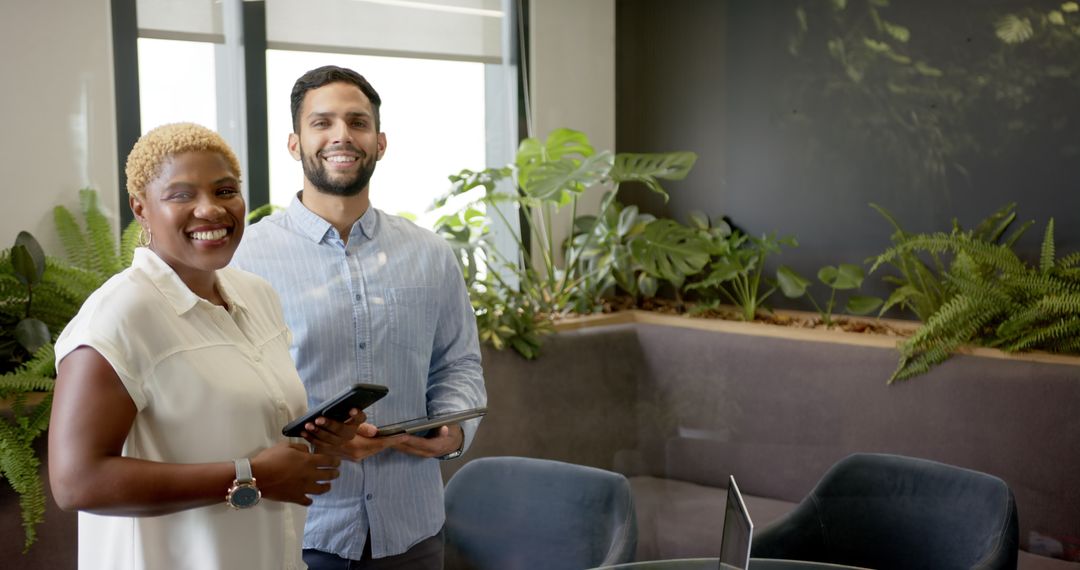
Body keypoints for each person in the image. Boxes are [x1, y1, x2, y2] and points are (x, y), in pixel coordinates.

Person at [48, 122, 374, 570]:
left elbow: (250, 435)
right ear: (140, 209)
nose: (211, 209)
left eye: (225, 191)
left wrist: (320, 443)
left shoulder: (256, 296)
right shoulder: (119, 315)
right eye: (181, 195)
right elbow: (76, 482)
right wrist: (252, 477)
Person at [231, 65, 487, 569]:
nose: (341, 135)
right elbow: (232, 389)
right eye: (322, 123)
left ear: (380, 142)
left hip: (412, 531)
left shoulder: (430, 253)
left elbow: (459, 365)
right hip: (301, 531)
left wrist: (451, 433)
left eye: (357, 122)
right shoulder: (244, 258)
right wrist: (315, 440)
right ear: (293, 143)